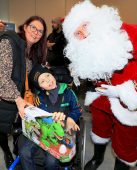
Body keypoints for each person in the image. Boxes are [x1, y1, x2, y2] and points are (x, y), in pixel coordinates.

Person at [62, 1, 137, 170]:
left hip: (127, 104)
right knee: (99, 131)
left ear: (94, 20)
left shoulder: (129, 33)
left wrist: (125, 92)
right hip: (101, 99)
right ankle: (97, 158)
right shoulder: (85, 44)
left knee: (125, 141)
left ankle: (121, 165)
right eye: (76, 34)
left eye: (83, 27)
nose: (81, 36)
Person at [0, 15, 47, 168]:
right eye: (33, 27)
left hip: (19, 102)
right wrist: (18, 100)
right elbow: (2, 78)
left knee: (17, 130)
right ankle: (6, 151)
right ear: (25, 27)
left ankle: (15, 152)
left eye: (40, 31)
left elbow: (29, 76)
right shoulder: (9, 42)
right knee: (2, 130)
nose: (36, 32)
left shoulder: (31, 52)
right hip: (5, 100)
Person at [18, 64, 82, 170]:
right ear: (41, 87)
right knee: (24, 152)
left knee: (51, 161)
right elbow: (40, 118)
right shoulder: (39, 98)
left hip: (61, 132)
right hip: (43, 131)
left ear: (52, 74)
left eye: (47, 75)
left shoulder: (68, 92)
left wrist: (70, 119)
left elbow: (77, 109)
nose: (48, 80)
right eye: (42, 81)